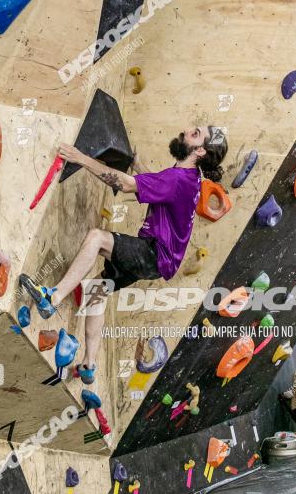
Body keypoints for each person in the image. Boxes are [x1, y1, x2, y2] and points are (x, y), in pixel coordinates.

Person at [19, 125, 228, 384]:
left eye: (195, 133)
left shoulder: (179, 179)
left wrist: (81, 158)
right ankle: (89, 364)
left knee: (97, 238)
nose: (186, 130)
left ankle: (53, 297)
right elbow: (159, 188)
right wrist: (138, 164)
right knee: (97, 288)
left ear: (199, 150)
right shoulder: (189, 176)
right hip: (158, 261)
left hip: (153, 253)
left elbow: (127, 185)